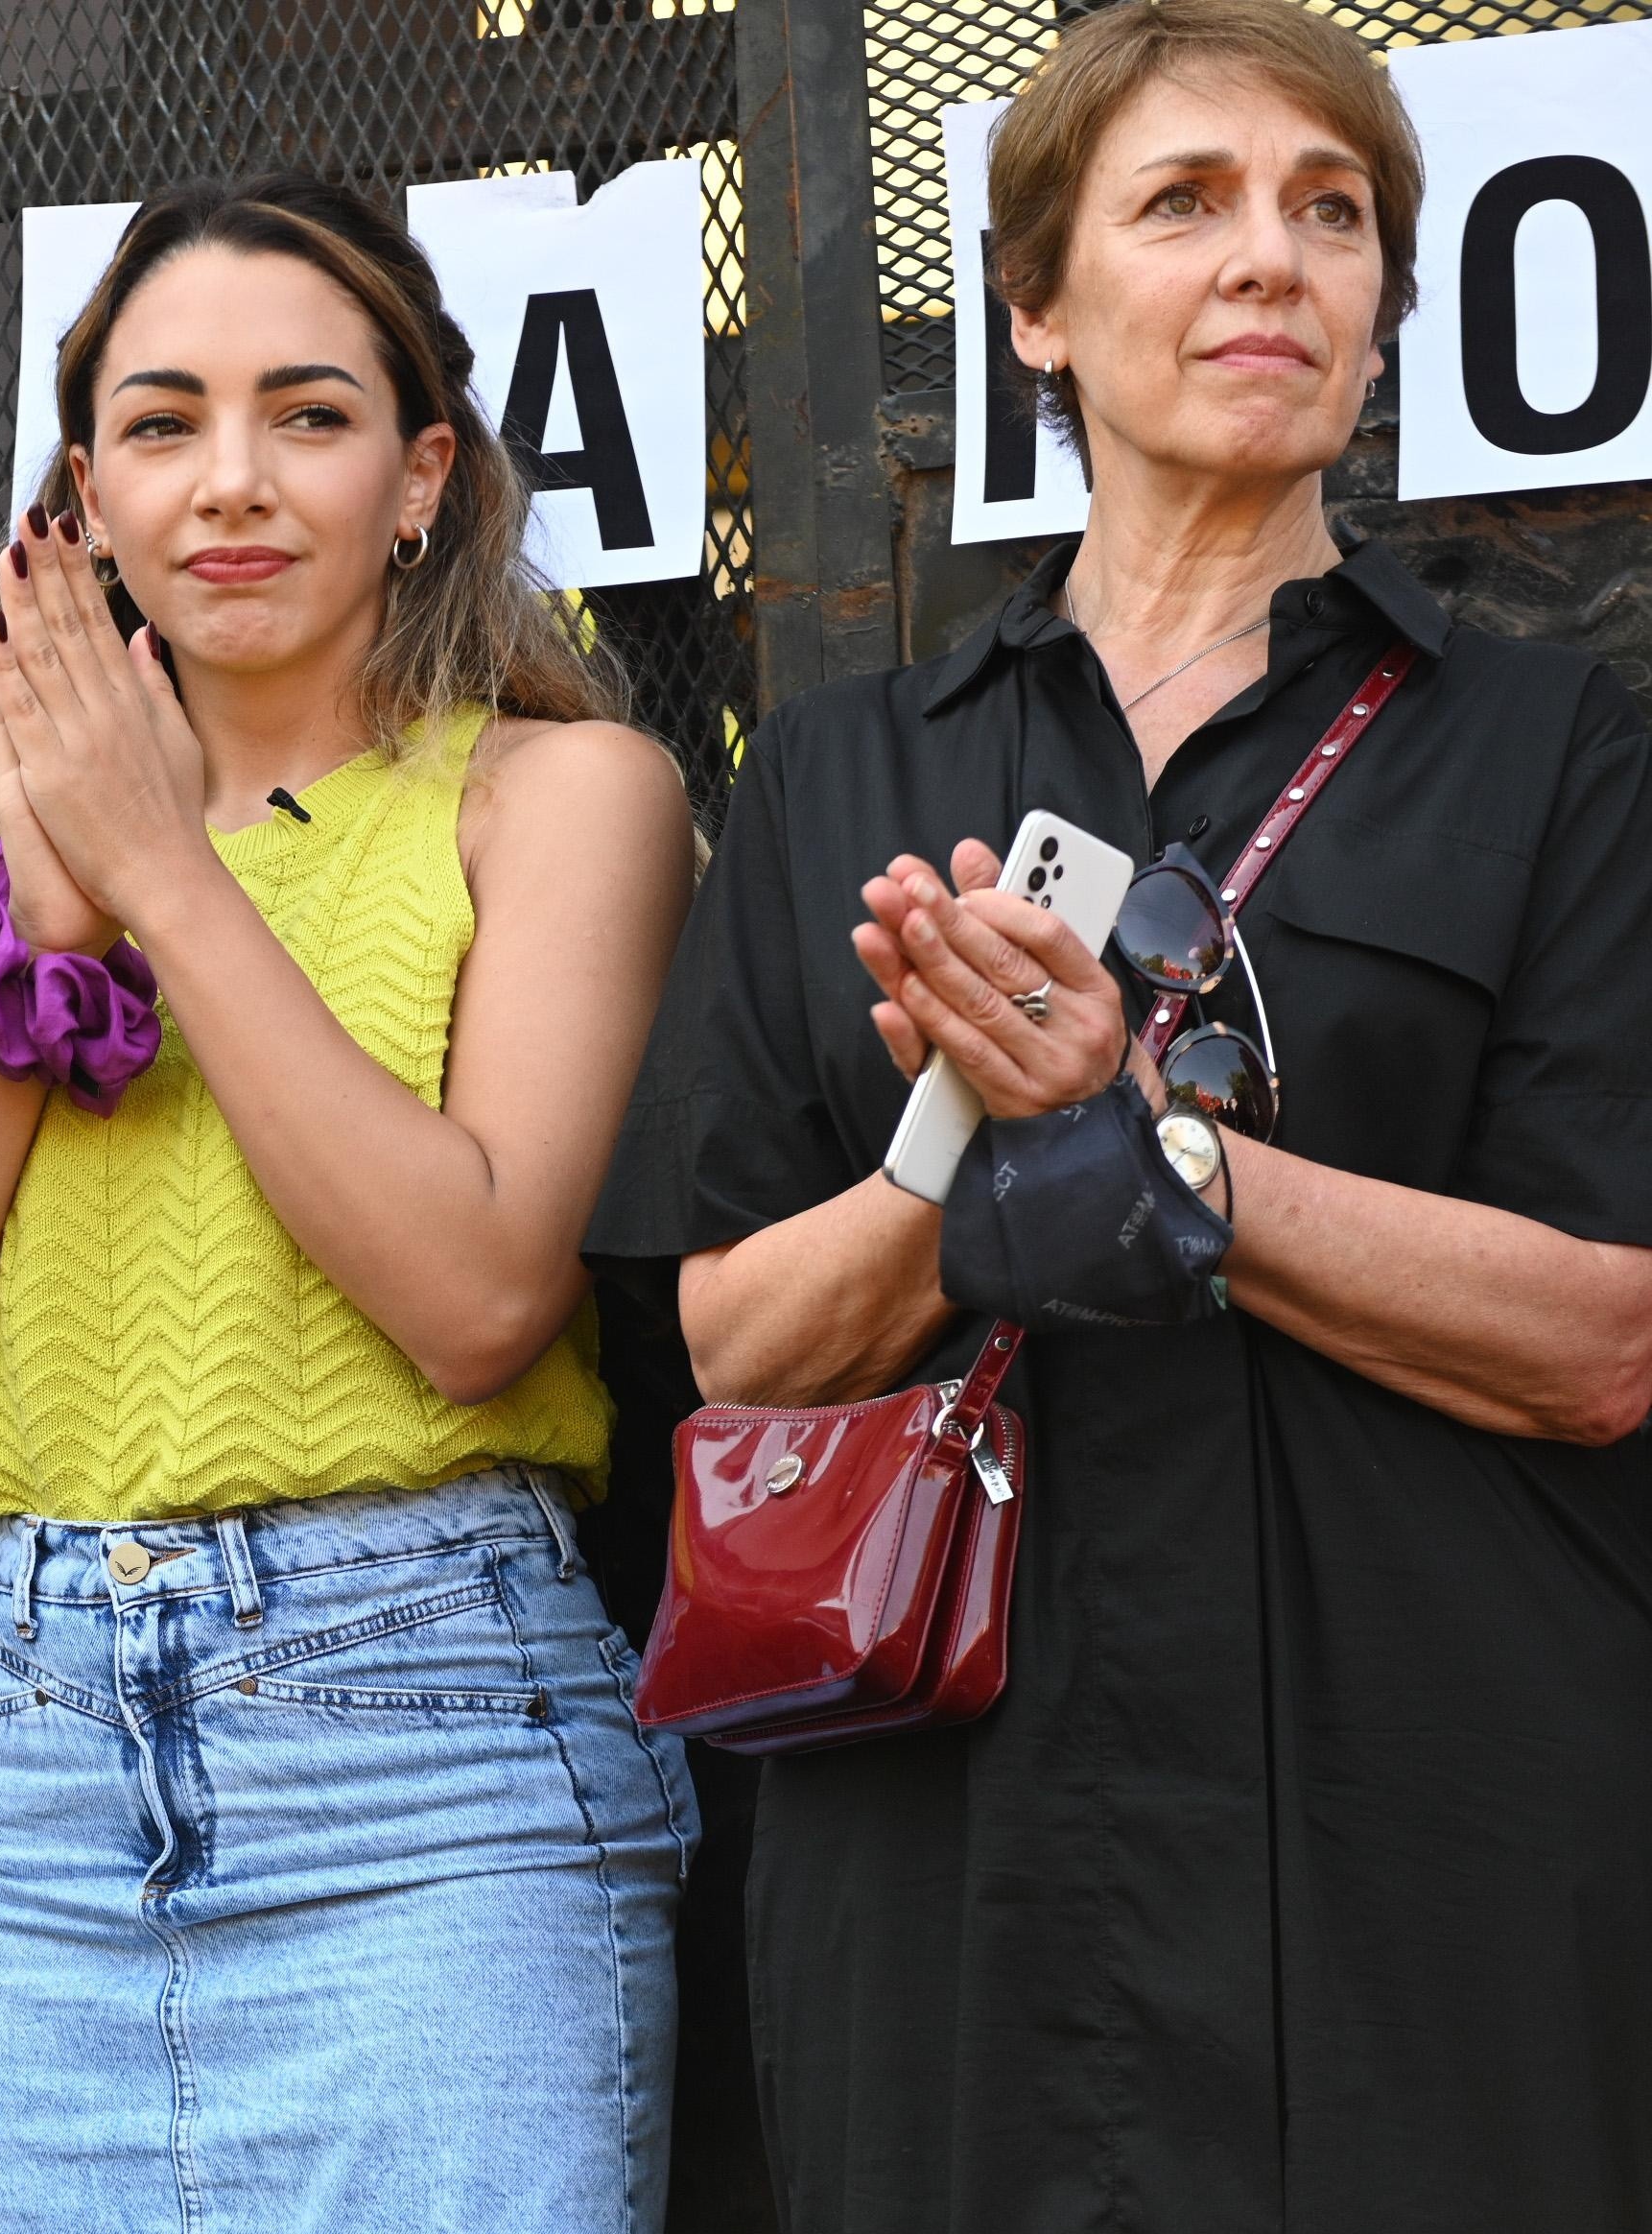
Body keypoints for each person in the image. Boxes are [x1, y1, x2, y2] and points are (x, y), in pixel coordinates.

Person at [589, 3, 1652, 2224]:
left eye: (1332, 214)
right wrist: (966, 1135)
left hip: (1423, 1839)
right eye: (1187, 204)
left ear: (1379, 312)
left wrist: (1151, 1144)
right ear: (1041, 307)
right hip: (965, 1853)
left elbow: (1601, 1335)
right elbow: (739, 1347)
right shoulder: (836, 778)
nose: (1274, 261)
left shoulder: (1560, 752)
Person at [0, 176, 699, 2232]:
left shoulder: (554, 796)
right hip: (31, 1794)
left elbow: (474, 1299)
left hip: (430, 1764)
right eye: (163, 423)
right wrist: (39, 942)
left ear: (421, 477)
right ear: (85, 499)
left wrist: (168, 887)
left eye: (308, 415)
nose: (233, 483)